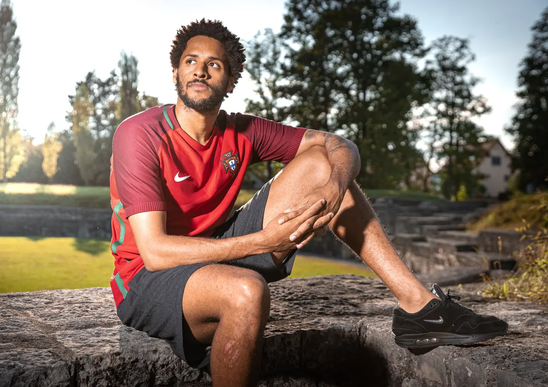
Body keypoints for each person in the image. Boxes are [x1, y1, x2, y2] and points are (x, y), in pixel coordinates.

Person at [109, 19, 508, 387]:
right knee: (247, 291)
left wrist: (335, 184)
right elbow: (156, 252)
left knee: (322, 163)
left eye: (214, 64)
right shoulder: (139, 134)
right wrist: (264, 241)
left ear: (229, 81)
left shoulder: (241, 130)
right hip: (146, 278)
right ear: (177, 72)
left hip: (213, 252)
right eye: (190, 61)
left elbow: (340, 144)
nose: (200, 70)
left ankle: (420, 308)